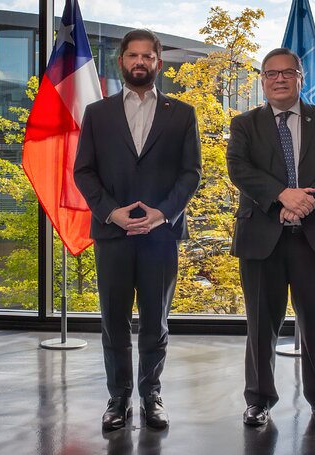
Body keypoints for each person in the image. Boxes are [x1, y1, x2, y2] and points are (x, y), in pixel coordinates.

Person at [73, 29, 201, 431]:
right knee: (113, 321)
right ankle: (118, 398)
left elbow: (191, 173)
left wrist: (162, 213)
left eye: (148, 56)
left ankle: (151, 395)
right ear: (122, 61)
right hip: (112, 235)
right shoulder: (97, 113)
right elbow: (84, 172)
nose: (140, 62)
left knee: (155, 321)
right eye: (133, 55)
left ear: (158, 63)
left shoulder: (181, 113)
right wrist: (113, 213)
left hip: (160, 236)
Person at [226, 48, 315, 428]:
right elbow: (238, 168)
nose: (279, 79)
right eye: (271, 74)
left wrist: (304, 204)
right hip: (263, 236)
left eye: (287, 73)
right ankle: (259, 400)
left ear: (300, 77)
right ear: (262, 80)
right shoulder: (245, 123)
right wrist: (282, 196)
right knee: (261, 325)